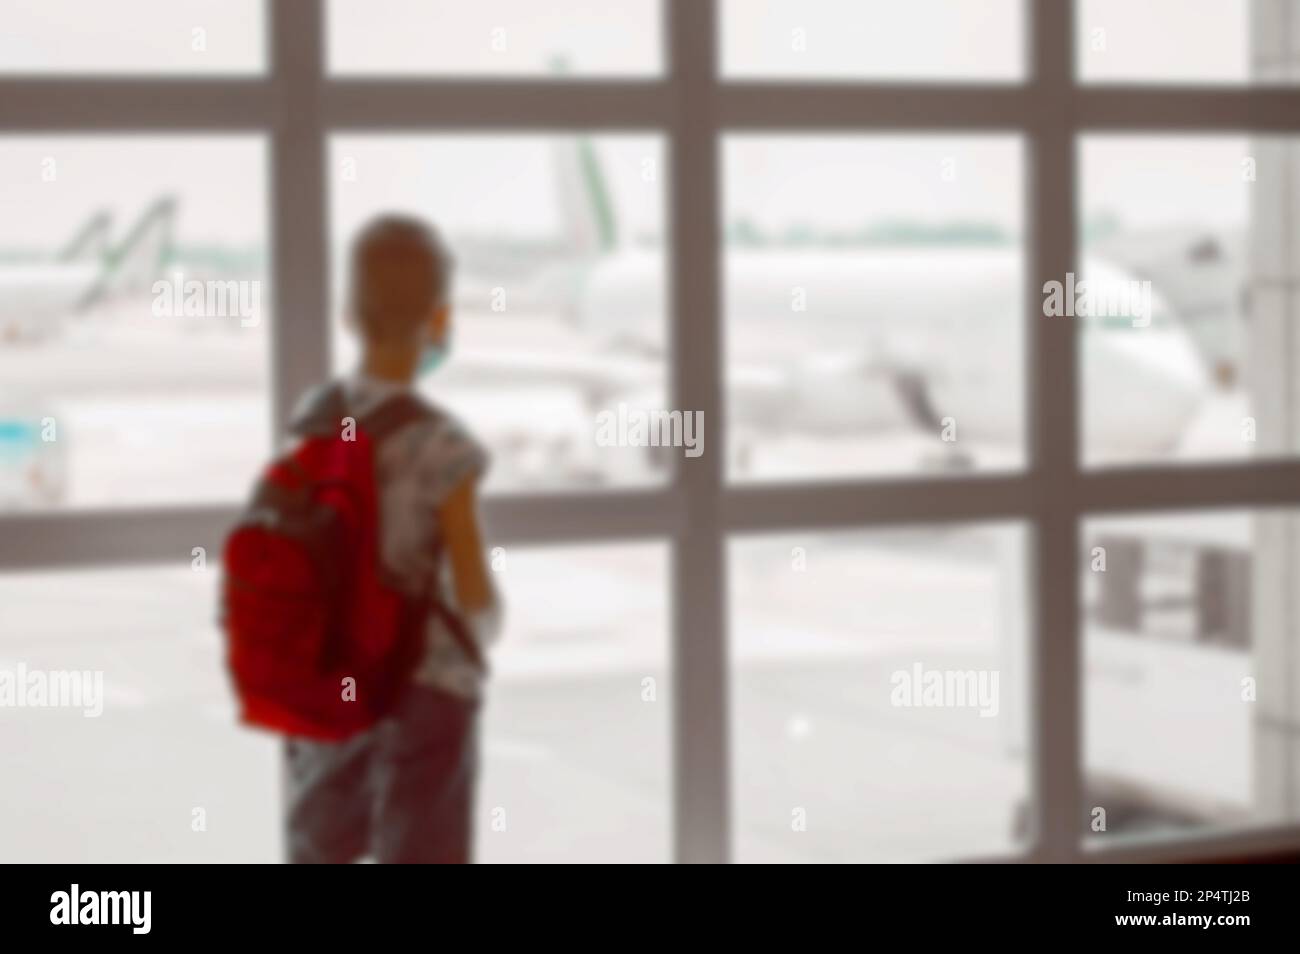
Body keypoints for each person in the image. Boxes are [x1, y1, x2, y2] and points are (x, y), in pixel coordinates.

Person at [283, 215, 500, 864]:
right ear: (438, 321)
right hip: (425, 690)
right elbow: (473, 591)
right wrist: (481, 634)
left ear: (349, 313)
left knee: (326, 846)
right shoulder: (444, 446)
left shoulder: (313, 427)